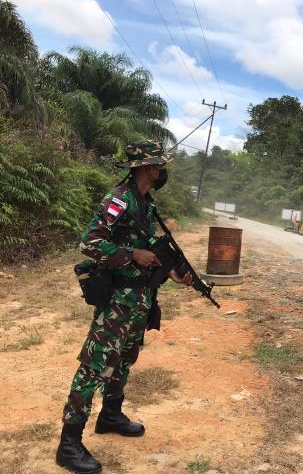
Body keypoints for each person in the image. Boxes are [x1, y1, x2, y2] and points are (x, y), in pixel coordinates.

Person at [56, 140, 192, 474]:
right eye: (160, 166)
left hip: (138, 299)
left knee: (125, 360)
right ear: (146, 168)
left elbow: (144, 245)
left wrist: (170, 271)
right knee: (95, 366)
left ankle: (111, 416)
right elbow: (90, 241)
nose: (163, 171)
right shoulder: (119, 199)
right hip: (117, 301)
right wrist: (131, 256)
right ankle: (69, 444)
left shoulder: (146, 202)